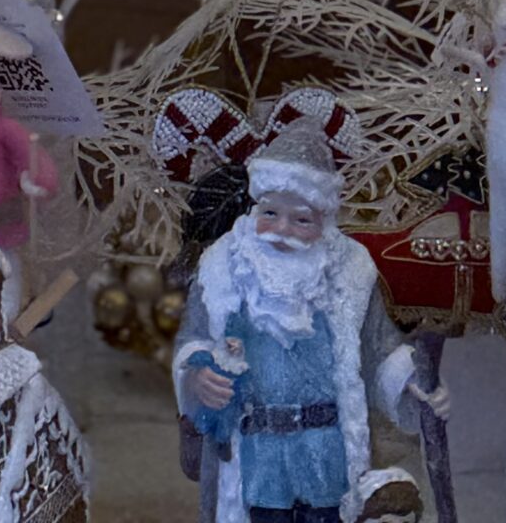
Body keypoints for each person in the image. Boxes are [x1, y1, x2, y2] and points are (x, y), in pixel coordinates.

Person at [174, 122, 445, 523]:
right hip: (257, 459)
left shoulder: (350, 270)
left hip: (326, 455)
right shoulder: (223, 269)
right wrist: (196, 376)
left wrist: (412, 382)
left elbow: (377, 350)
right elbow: (195, 338)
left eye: (301, 220)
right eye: (270, 214)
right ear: (255, 205)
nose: (282, 230)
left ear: (324, 217)